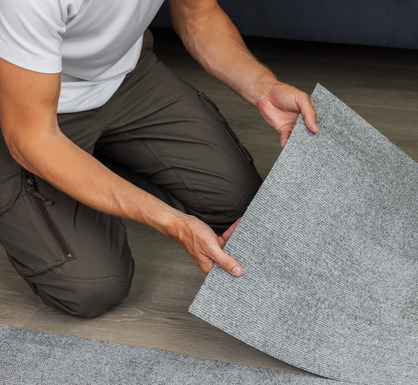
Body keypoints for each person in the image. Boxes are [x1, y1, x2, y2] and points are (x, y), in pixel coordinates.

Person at [0, 1, 319, 317]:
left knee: (243, 210)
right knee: (92, 286)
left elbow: (200, 15)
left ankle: (99, 166)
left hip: (125, 80)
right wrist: (173, 222)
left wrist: (265, 88)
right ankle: (83, 172)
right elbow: (33, 139)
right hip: (28, 112)